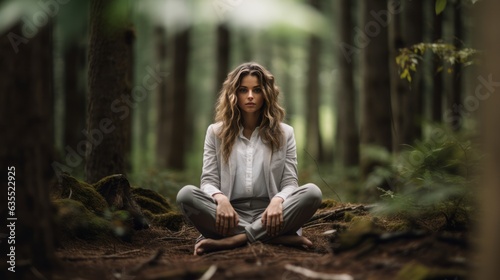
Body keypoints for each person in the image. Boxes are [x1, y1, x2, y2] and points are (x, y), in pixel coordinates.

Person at [176, 62, 322, 255]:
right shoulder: (215, 132)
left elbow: (290, 182)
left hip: (272, 215)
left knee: (312, 193)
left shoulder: (285, 133)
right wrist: (220, 199)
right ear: (233, 94)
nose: (250, 96)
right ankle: (275, 238)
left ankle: (234, 240)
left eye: (257, 90)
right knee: (186, 195)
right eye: (243, 90)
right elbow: (208, 181)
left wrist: (278, 201)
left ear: (266, 94)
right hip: (228, 216)